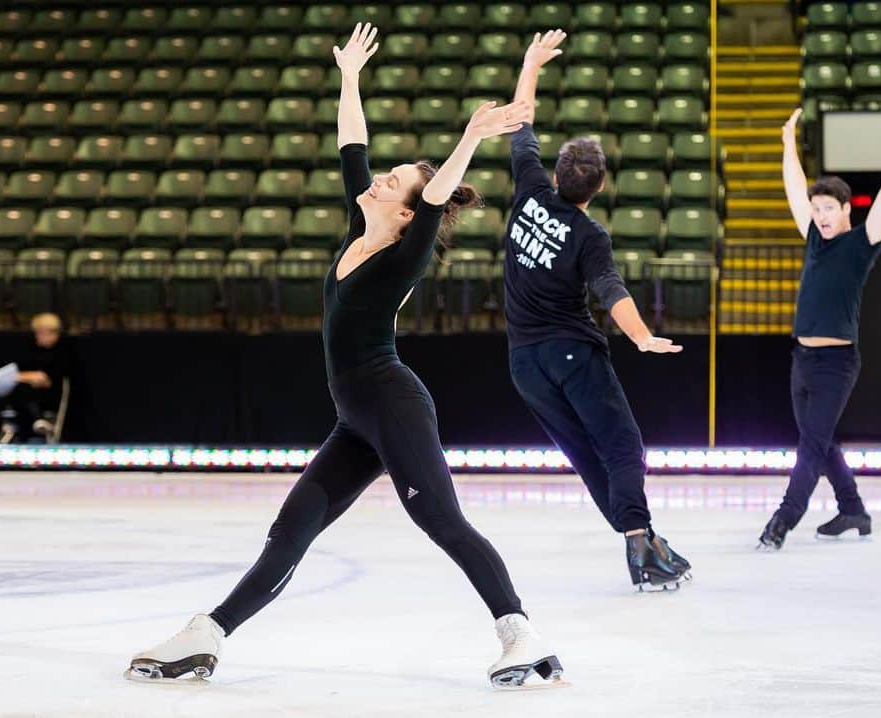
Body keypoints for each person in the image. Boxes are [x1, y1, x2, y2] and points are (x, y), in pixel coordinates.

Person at [126, 24, 562, 689]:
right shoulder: (366, 222)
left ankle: (520, 633)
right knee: (291, 528)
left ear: (411, 213)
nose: (379, 179)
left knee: (441, 521)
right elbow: (351, 145)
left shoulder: (403, 255)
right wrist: (350, 76)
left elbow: (439, 193)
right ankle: (207, 635)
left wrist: (471, 136)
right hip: (356, 418)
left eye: (394, 182)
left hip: (391, 401)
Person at [499, 30, 690, 591]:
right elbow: (610, 291)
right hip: (571, 354)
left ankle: (644, 537)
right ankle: (639, 546)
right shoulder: (590, 234)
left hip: (522, 364)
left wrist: (530, 61)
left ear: (558, 175)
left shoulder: (530, 188)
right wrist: (642, 337)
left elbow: (520, 122)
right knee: (622, 446)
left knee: (587, 458)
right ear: (597, 187)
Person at [759, 108, 881, 549]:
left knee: (811, 446)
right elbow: (793, 186)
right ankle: (853, 509)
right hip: (802, 361)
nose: (821, 215)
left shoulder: (861, 242)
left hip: (836, 364)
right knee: (820, 442)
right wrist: (789, 144)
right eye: (817, 208)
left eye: (828, 208)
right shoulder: (812, 236)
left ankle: (784, 519)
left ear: (847, 210)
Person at [0, 312, 69, 444]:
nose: (42, 337)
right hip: (25, 397)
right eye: (40, 333)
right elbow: (15, 375)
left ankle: (37, 421)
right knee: (19, 390)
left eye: (48, 333)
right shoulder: (28, 350)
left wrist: (28, 377)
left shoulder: (62, 352)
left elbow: (45, 380)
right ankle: (35, 422)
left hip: (48, 397)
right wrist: (29, 377)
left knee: (23, 389)